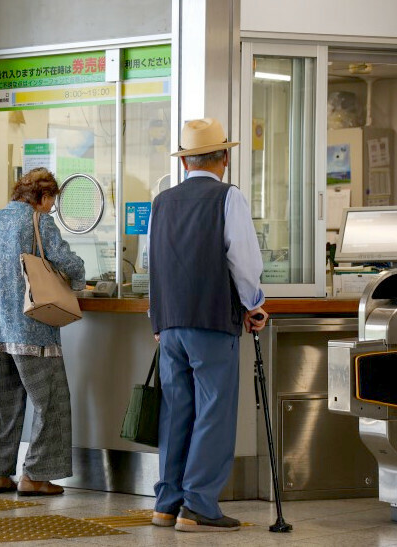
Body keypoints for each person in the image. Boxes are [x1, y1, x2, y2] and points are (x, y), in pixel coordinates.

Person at [148, 118, 268, 532]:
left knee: (176, 410)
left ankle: (166, 504)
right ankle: (198, 505)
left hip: (170, 324)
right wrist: (253, 304)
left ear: (184, 163)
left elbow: (154, 265)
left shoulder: (161, 202)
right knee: (214, 410)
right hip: (212, 320)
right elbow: (244, 260)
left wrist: (158, 318)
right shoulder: (227, 197)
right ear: (226, 158)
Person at [0, 167, 85, 496]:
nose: (50, 209)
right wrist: (79, 283)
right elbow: (68, 262)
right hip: (32, 329)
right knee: (51, 401)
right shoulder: (40, 222)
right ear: (44, 197)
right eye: (51, 202)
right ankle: (35, 475)